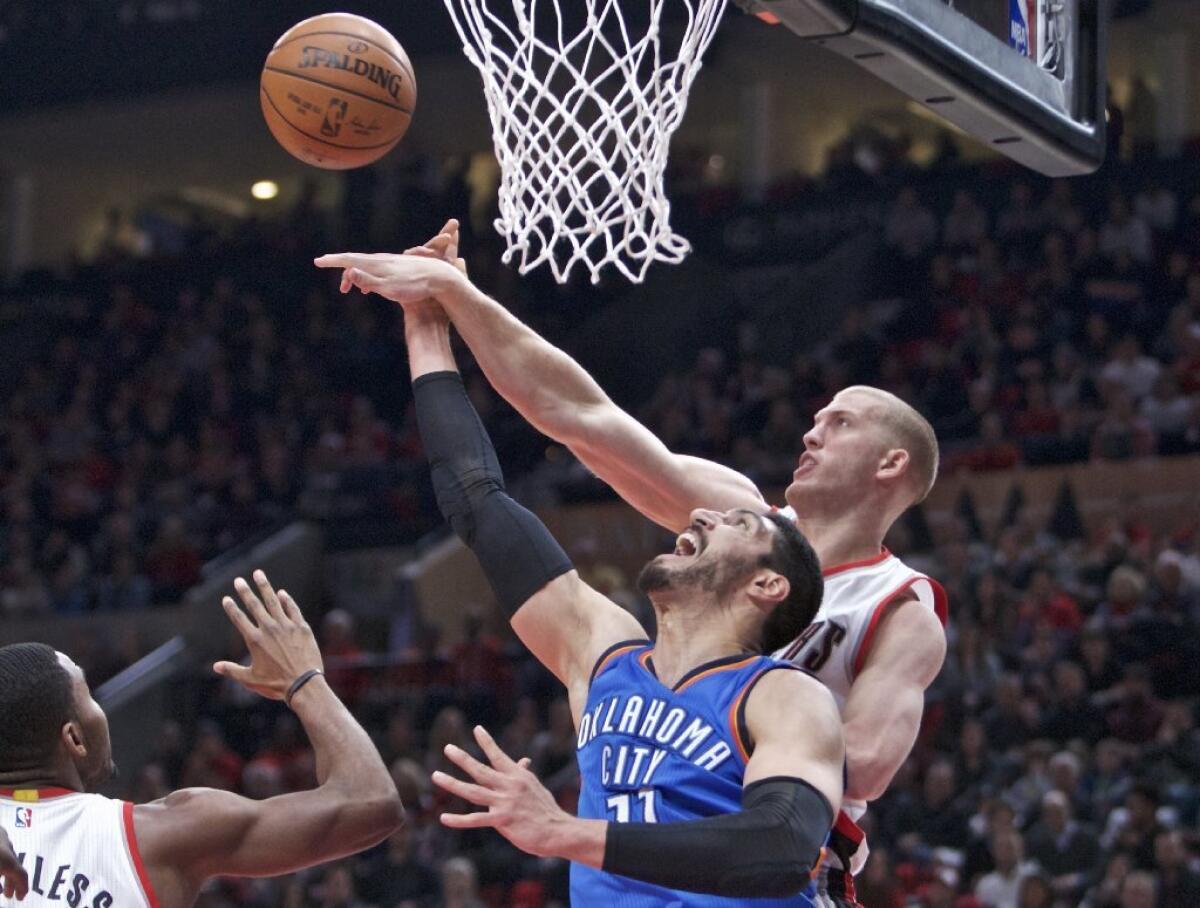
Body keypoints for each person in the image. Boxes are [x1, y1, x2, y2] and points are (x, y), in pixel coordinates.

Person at [316, 219, 947, 903]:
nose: (810, 430)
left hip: (770, 861)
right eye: (817, 418)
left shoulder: (897, 606)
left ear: (891, 462)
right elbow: (575, 415)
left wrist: (726, 726)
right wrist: (452, 301)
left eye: (840, 423)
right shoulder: (735, 521)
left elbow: (864, 771)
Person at [380, 265, 844, 905]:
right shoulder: (603, 655)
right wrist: (425, 319)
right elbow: (476, 500)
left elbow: (781, 848)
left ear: (768, 585)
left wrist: (566, 833)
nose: (702, 513)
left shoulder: (782, 694)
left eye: (737, 522)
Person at [0, 571, 404, 908]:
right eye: (89, 694)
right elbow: (370, 803)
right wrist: (304, 680)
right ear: (74, 738)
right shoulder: (162, 835)